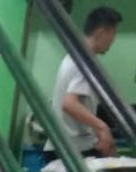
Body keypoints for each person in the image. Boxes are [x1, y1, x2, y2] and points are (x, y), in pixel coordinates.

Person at [45, 6, 122, 161]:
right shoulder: (84, 62)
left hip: (65, 146)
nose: (113, 40)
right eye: (113, 33)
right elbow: (69, 103)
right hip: (72, 149)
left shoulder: (75, 56)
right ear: (101, 32)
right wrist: (102, 128)